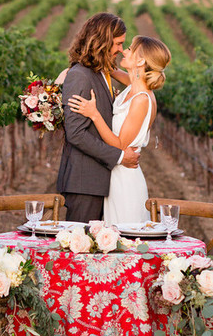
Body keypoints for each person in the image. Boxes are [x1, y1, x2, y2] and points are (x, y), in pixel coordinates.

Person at [68, 35, 171, 224]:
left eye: (130, 48)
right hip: (115, 174)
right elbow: (111, 70)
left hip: (125, 180)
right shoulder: (135, 85)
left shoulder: (142, 99)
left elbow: (120, 145)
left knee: (125, 236)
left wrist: (94, 114)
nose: (124, 50)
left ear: (140, 60)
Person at [56, 12, 140, 223]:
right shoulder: (80, 75)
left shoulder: (101, 72)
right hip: (85, 183)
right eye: (118, 44)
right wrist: (120, 156)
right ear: (101, 41)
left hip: (100, 180)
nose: (121, 50)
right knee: (80, 250)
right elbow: (75, 134)